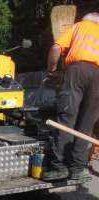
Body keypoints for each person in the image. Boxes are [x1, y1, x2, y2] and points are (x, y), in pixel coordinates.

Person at [43, 12, 99, 181]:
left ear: (86, 20)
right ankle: (77, 169)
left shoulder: (79, 27)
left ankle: (59, 167)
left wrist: (52, 71)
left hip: (77, 71)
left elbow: (55, 48)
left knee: (67, 118)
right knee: (87, 123)